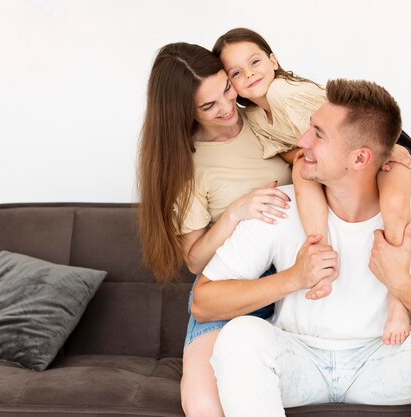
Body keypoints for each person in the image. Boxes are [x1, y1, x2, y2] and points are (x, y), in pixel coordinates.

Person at [193, 79, 411, 417]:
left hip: (385, 360)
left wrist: (402, 286)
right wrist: (293, 277)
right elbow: (203, 303)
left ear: (360, 158)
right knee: (239, 336)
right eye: (309, 128)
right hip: (299, 359)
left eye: (318, 134)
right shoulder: (281, 206)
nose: (302, 141)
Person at [212, 28, 411, 345]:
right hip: (343, 160)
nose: (251, 73)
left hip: (388, 146)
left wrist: (388, 150)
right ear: (232, 85)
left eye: (255, 61)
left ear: (273, 60)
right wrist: (302, 158)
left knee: (393, 206)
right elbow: (290, 149)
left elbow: (348, 125)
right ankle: (321, 256)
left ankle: (398, 300)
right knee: (301, 171)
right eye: (237, 72)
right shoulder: (255, 116)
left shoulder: (285, 92)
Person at [137, 42, 294, 417]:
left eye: (227, 88)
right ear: (183, 113)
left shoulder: (265, 114)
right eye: (208, 106)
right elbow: (194, 261)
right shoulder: (186, 164)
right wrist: (235, 213)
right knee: (203, 404)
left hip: (295, 275)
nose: (227, 108)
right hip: (231, 285)